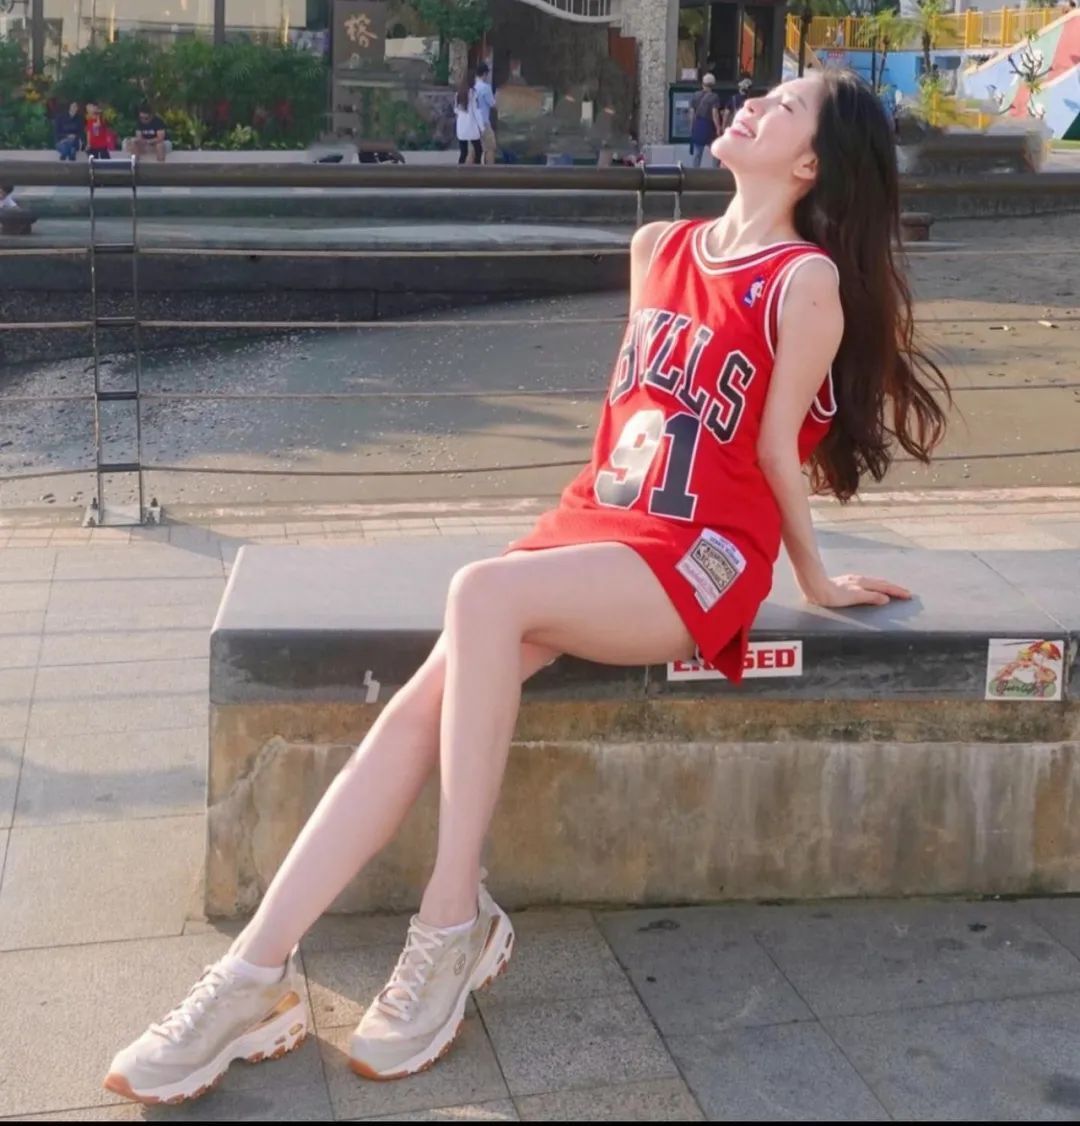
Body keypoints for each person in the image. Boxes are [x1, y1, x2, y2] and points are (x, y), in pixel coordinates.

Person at [103, 68, 950, 1107]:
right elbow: (631, 421)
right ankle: (251, 977)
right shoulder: (658, 248)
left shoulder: (802, 279)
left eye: (785, 106)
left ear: (811, 162)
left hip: (704, 553)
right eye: (764, 92)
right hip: (602, 523)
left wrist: (814, 579)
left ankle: (450, 922)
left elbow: (778, 450)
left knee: (479, 596)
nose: (755, 103)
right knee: (423, 701)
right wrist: (577, 534)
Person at [688, 73, 722, 168]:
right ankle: (715, 171)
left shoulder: (695, 95)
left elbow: (691, 113)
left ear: (702, 83)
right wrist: (718, 128)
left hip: (698, 124)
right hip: (709, 126)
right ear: (713, 84)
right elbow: (715, 114)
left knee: (697, 153)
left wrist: (691, 126)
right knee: (715, 151)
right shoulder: (714, 97)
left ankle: (695, 172)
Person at [454, 68, 484, 165]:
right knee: (479, 150)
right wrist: (482, 128)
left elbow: (456, 110)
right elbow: (477, 112)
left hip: (461, 127)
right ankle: (476, 169)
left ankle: (459, 171)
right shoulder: (473, 93)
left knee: (463, 152)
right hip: (471, 127)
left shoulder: (458, 94)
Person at [475, 61, 498, 165]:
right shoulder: (485, 87)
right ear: (484, 74)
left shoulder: (473, 87)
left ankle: (466, 171)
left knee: (473, 149)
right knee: (490, 147)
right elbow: (493, 104)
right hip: (484, 122)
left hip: (474, 123)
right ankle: (489, 170)